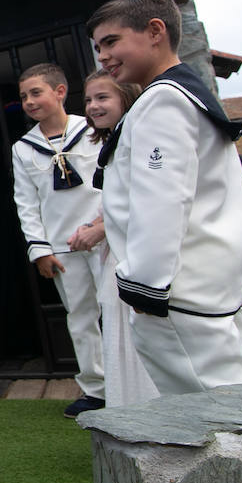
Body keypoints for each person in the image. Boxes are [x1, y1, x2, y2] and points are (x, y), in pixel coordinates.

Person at [87, 0, 242, 395]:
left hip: (177, 293)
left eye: (112, 41)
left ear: (155, 31)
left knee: (211, 416)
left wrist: (143, 287)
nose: (103, 56)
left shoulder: (163, 102)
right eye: (97, 47)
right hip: (201, 286)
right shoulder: (178, 94)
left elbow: (161, 202)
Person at [10, 63, 109, 418]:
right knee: (81, 318)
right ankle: (96, 391)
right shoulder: (23, 148)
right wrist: (40, 250)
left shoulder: (95, 129)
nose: (29, 101)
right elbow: (27, 203)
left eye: (36, 92)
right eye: (24, 96)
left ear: (60, 92)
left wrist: (105, 226)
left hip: (104, 239)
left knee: (116, 313)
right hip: (62, 247)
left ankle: (131, 384)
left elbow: (113, 182)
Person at [72, 69, 158, 408]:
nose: (93, 106)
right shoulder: (113, 141)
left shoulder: (137, 138)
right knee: (117, 332)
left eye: (102, 97)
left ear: (127, 96)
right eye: (89, 100)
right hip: (116, 250)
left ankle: (146, 410)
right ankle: (126, 407)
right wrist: (95, 223)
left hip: (133, 252)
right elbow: (115, 198)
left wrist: (99, 229)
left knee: (137, 336)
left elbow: (144, 199)